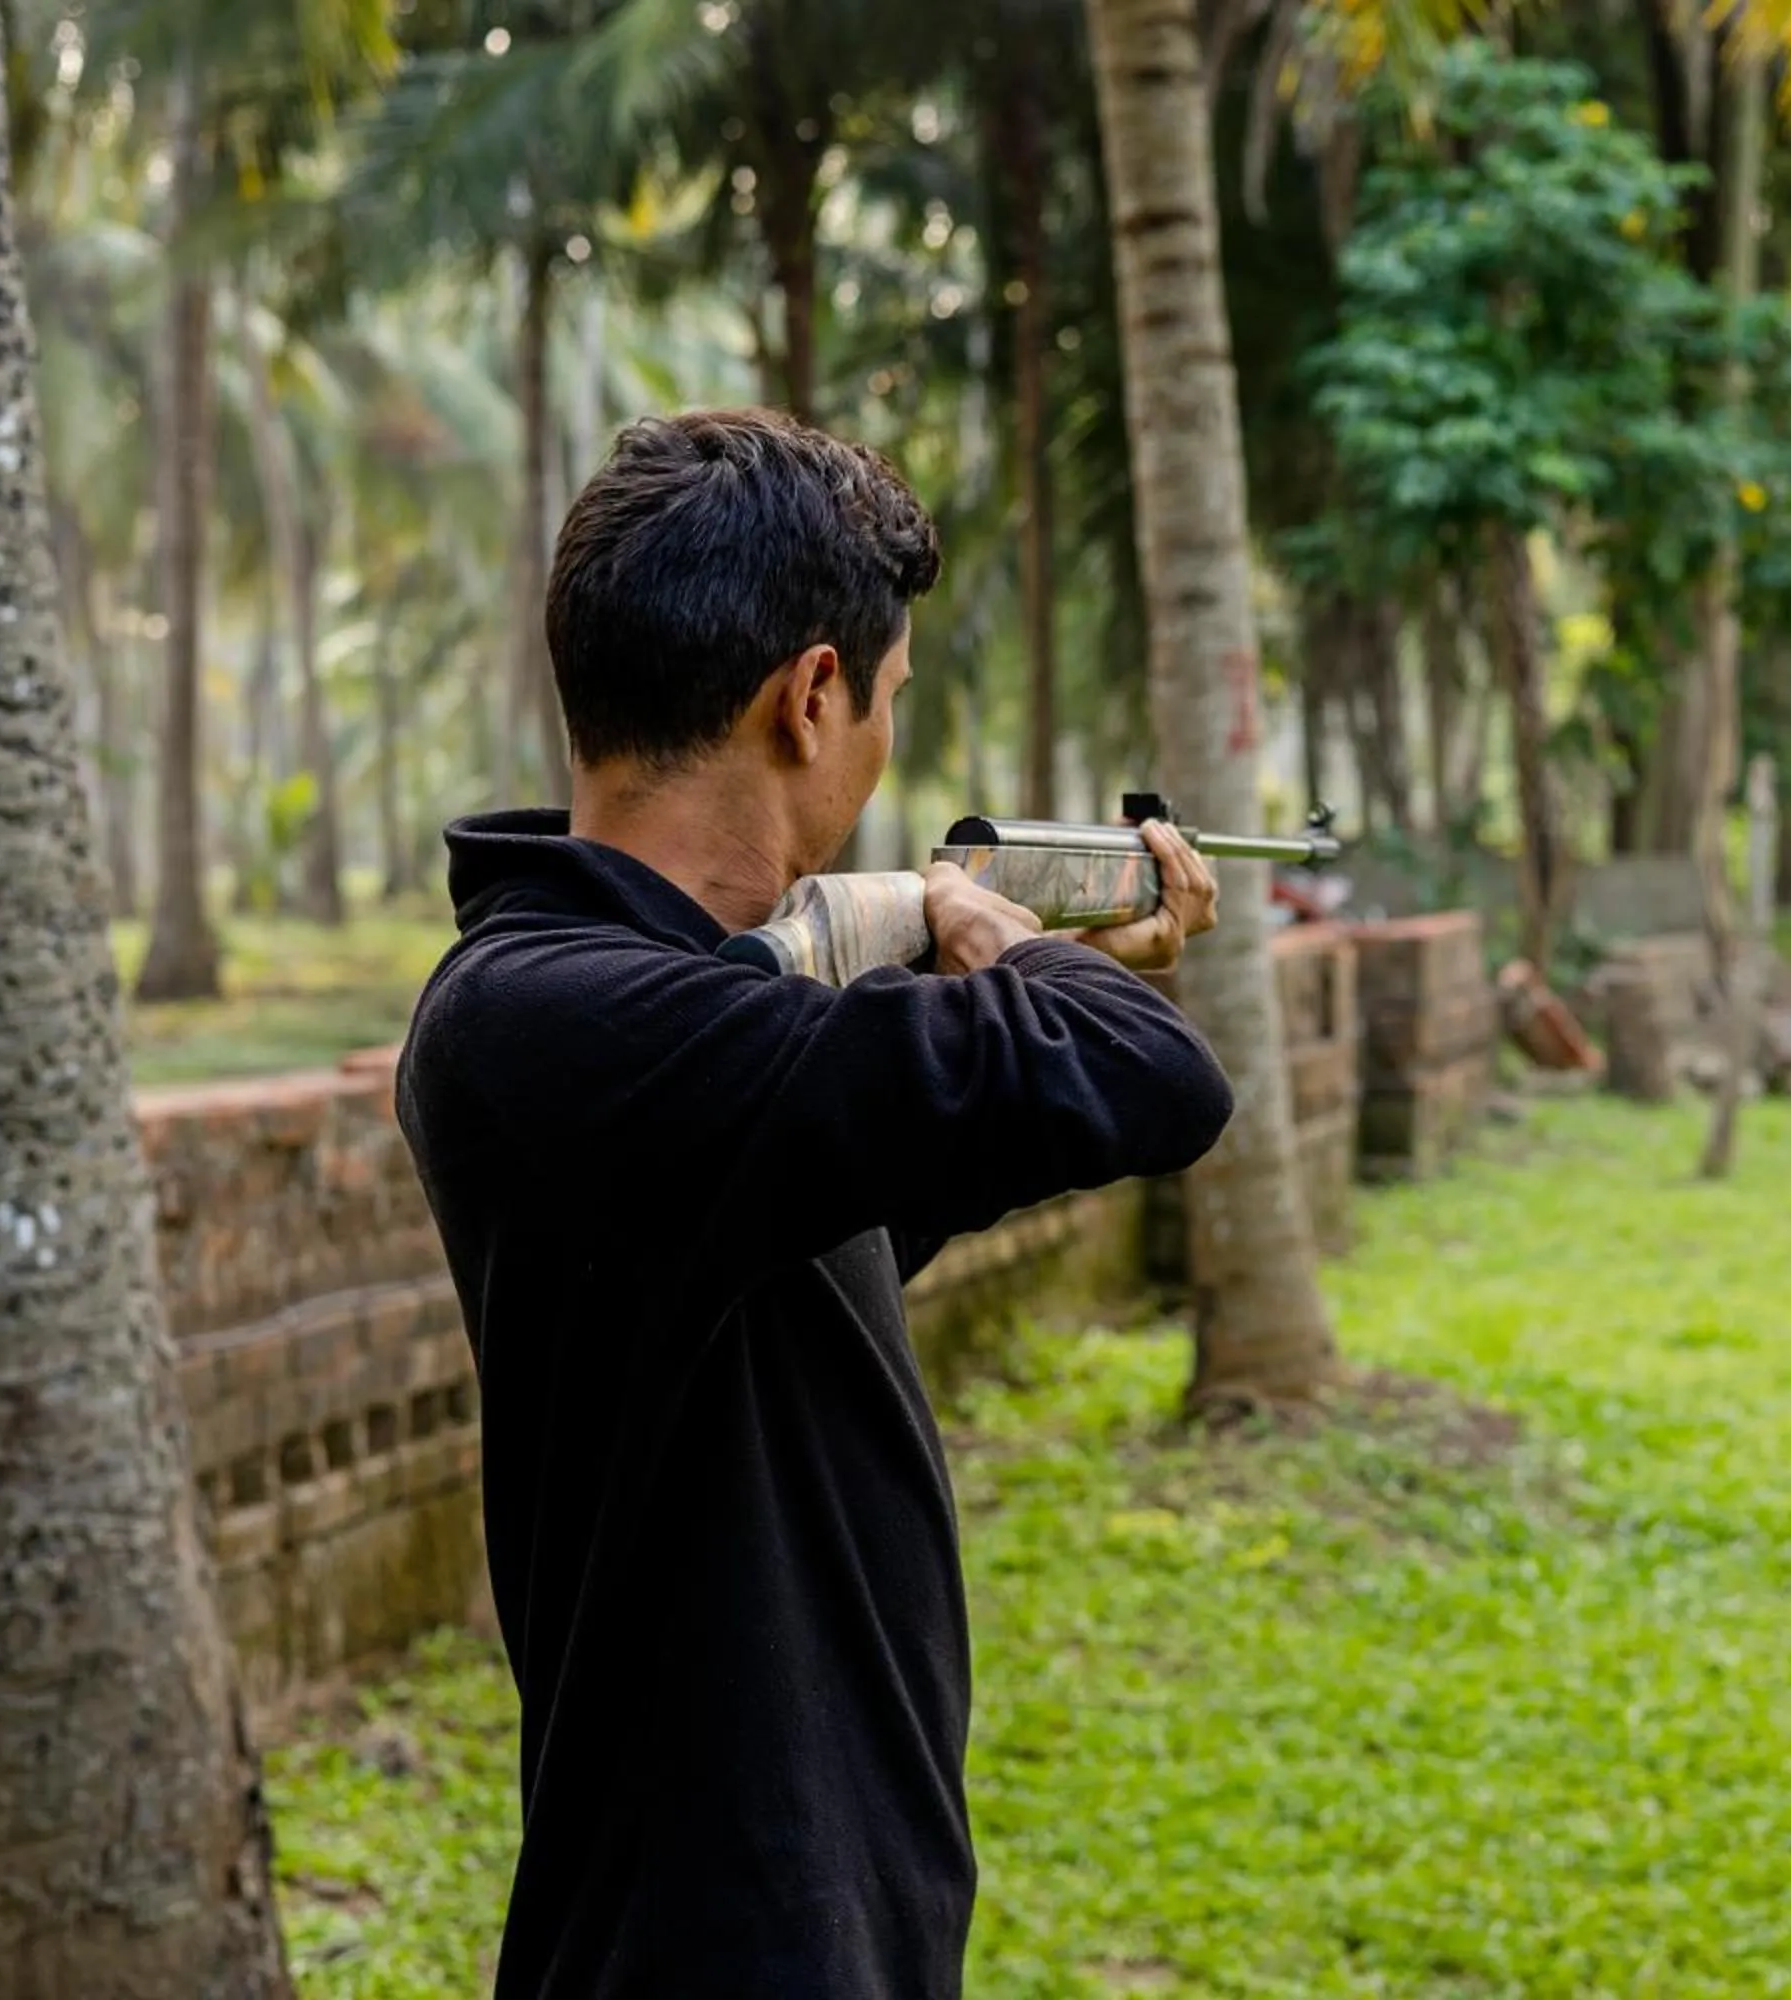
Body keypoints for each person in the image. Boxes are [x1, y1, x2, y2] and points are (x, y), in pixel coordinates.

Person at [395, 409, 1237, 1999]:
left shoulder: (653, 1026)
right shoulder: (559, 1015)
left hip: (819, 1908)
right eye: (888, 701)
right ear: (813, 694)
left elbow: (852, 1206)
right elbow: (1162, 1078)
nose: (881, 745)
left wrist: (969, 957)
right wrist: (1000, 938)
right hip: (718, 1937)